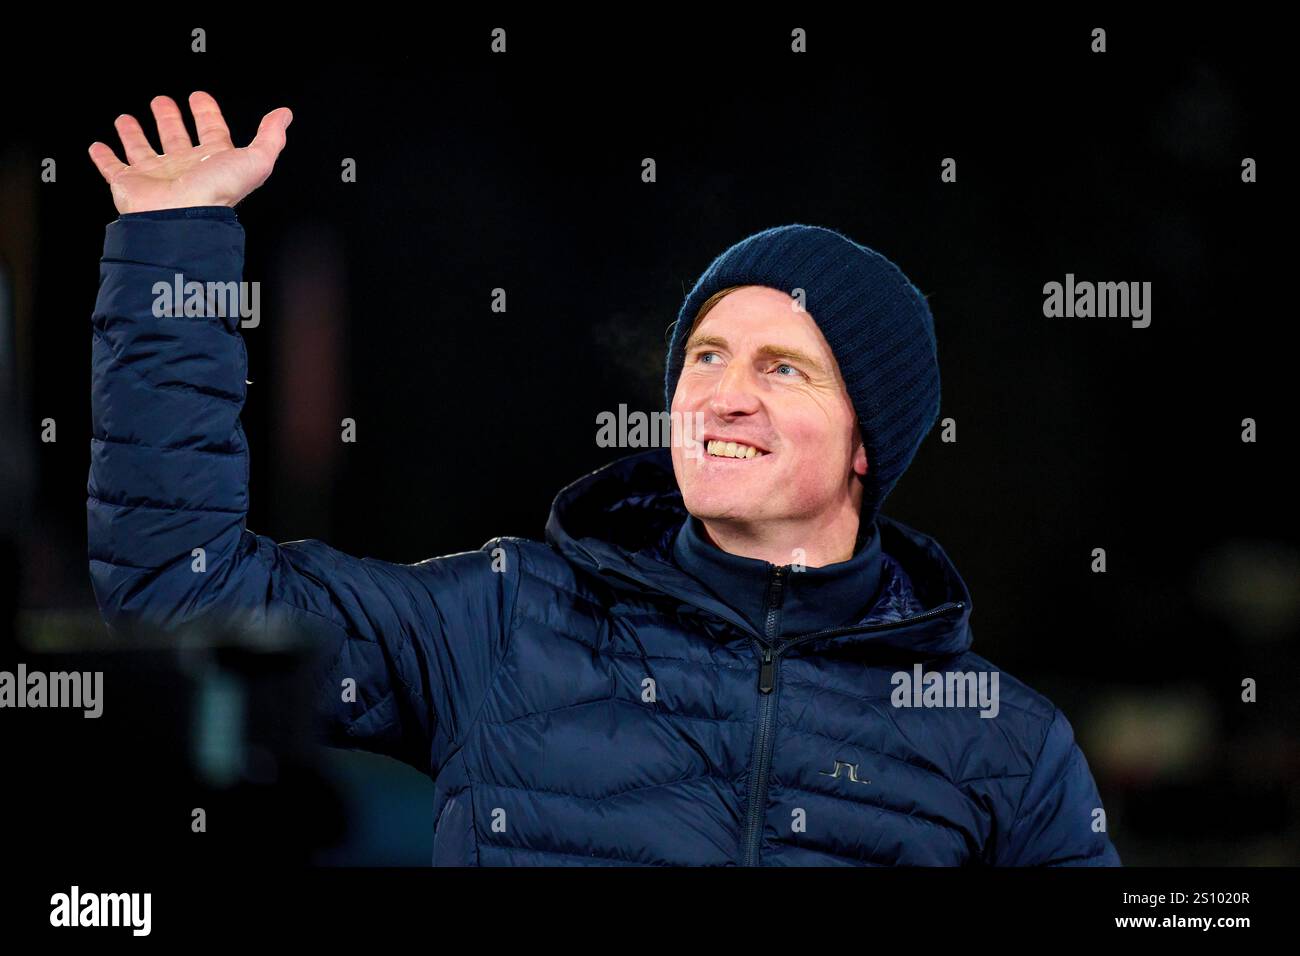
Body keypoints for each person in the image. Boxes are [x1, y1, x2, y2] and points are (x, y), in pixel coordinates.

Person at [86, 92, 1121, 866]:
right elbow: (184, 592)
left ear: (868, 443)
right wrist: (173, 243)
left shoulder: (1000, 741)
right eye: (705, 358)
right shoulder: (502, 622)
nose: (723, 394)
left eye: (783, 368)